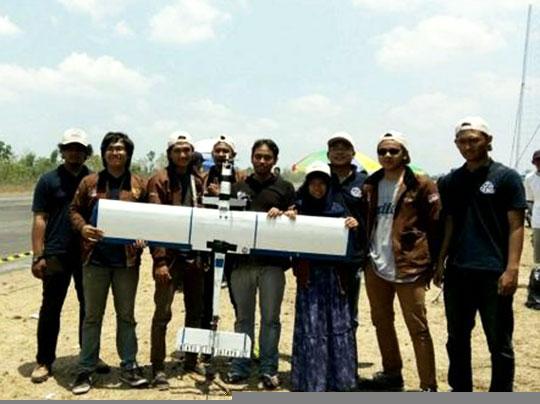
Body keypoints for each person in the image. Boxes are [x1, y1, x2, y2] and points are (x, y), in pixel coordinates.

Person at [434, 116, 526, 392]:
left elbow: (516, 225)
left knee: (499, 341)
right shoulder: (451, 180)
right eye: (461, 141)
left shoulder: (507, 177)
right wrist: (440, 260)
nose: (467, 146)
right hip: (458, 271)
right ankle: (461, 389)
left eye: (473, 140)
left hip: (493, 272)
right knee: (457, 338)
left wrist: (512, 269)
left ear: (488, 140)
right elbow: (450, 222)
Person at [69, 132, 148, 394]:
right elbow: (74, 210)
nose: (116, 153)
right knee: (92, 317)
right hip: (95, 260)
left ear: (128, 153)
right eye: (111, 148)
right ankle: (85, 368)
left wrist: (144, 236)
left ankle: (129, 366)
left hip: (127, 262)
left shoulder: (139, 184)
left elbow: (150, 217)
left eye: (120, 149)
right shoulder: (90, 182)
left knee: (126, 316)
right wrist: (83, 228)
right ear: (104, 153)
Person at [362, 131, 439, 392]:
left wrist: (434, 263)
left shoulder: (421, 184)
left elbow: (436, 224)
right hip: (376, 264)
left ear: (404, 154)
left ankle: (428, 385)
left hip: (410, 266)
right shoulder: (371, 184)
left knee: (418, 327)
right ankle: (392, 375)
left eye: (393, 151)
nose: (387, 155)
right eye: (382, 151)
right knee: (381, 322)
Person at [30, 129, 109, 383]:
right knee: (51, 307)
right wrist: (38, 255)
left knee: (90, 308)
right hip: (56, 253)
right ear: (62, 151)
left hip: (88, 253)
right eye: (69, 148)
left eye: (79, 148)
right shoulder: (48, 180)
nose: (74, 152)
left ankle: (90, 355)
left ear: (87, 153)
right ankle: (44, 360)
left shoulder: (96, 180)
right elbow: (40, 219)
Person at [225, 139, 296, 389]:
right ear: (252, 157)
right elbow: (226, 220)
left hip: (272, 265)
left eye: (267, 157)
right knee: (243, 319)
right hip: (241, 264)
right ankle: (240, 366)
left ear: (275, 160)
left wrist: (286, 215)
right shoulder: (237, 187)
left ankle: (268, 368)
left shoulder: (285, 188)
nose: (262, 161)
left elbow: (295, 218)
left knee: (270, 319)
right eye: (258, 156)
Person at [289, 162, 359, 392]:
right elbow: (286, 237)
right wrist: (284, 218)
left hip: (335, 279)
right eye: (313, 183)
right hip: (309, 279)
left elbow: (352, 245)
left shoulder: (339, 211)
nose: (317, 188)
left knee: (336, 327)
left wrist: (353, 226)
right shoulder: (297, 210)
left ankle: (338, 380)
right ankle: (311, 380)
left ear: (328, 186)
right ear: (307, 185)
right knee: (311, 328)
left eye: (322, 183)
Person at [147, 131, 206, 390]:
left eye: (186, 150)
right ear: (169, 153)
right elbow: (155, 223)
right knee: (163, 314)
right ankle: (158, 367)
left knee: (195, 312)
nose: (183, 154)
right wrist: (159, 261)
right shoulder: (159, 180)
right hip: (169, 259)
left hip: (194, 258)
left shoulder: (197, 179)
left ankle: (191, 361)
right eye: (177, 150)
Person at [326, 132, 367, 333]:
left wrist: (358, 224)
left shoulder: (365, 181)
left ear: (353, 153)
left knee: (349, 310)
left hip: (352, 256)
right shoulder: (319, 178)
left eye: (345, 148)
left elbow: (372, 217)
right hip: (323, 256)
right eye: (335, 148)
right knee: (323, 309)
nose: (339, 152)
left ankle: (348, 348)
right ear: (328, 154)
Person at [524, 150, 540, 309]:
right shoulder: (529, 179)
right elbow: (529, 201)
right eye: (537, 161)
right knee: (538, 259)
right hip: (538, 221)